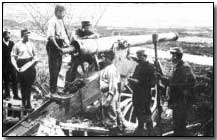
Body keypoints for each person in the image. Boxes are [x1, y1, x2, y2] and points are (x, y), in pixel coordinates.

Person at [162, 47, 196, 136]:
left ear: (179, 56)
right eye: (172, 55)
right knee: (177, 124)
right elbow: (174, 81)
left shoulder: (184, 68)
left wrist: (167, 82)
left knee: (180, 125)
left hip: (183, 101)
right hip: (178, 100)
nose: (172, 58)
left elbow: (180, 84)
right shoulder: (177, 67)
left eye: (174, 56)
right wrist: (164, 79)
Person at [46, 5, 74, 95]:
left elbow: (64, 35)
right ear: (57, 12)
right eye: (63, 12)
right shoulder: (52, 21)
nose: (64, 15)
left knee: (58, 68)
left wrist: (69, 45)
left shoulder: (61, 21)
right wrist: (58, 47)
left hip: (60, 44)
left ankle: (55, 89)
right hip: (53, 45)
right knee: (53, 69)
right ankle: (52, 91)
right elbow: (51, 37)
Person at [128, 50, 157, 136]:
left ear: (145, 56)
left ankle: (150, 130)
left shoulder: (151, 67)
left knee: (146, 111)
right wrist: (132, 80)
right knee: (137, 110)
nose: (139, 59)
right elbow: (134, 77)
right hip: (136, 93)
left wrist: (140, 82)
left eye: (140, 57)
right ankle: (140, 127)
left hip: (145, 94)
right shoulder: (138, 67)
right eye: (138, 57)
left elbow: (153, 82)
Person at [11, 29, 37, 109]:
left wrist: (34, 62)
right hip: (21, 65)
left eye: (28, 35)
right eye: (26, 35)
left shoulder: (31, 44)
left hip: (30, 65)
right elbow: (13, 57)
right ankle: (23, 102)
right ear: (22, 35)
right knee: (23, 85)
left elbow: (35, 56)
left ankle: (28, 103)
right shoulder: (17, 45)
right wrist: (16, 67)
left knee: (29, 85)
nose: (28, 36)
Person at [99, 50, 124, 133]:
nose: (103, 59)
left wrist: (109, 98)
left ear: (109, 59)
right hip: (105, 94)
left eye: (105, 57)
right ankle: (113, 129)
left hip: (109, 95)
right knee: (108, 115)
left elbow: (113, 85)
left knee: (111, 115)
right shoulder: (107, 68)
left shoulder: (111, 70)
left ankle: (114, 131)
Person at [3, 30, 20, 100]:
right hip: (4, 66)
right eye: (7, 36)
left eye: (9, 36)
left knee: (14, 80)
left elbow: (15, 53)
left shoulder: (12, 43)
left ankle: (16, 95)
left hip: (12, 65)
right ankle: (7, 95)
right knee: (6, 81)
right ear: (3, 36)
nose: (8, 37)